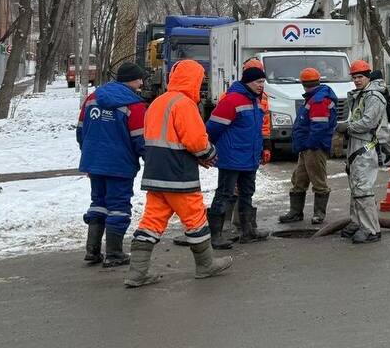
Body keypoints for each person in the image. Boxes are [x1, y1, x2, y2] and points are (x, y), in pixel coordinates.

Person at [124, 59, 231, 288]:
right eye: (200, 80)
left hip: (155, 172)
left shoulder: (158, 102)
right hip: (179, 174)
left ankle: (137, 272)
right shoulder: (184, 104)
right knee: (195, 218)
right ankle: (206, 264)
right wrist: (209, 153)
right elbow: (195, 141)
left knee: (151, 220)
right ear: (193, 80)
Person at [76, 63, 147, 268]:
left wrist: (89, 154)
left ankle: (92, 251)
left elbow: (81, 130)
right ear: (132, 80)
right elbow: (140, 140)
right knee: (118, 206)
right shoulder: (134, 104)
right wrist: (149, 160)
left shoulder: (92, 98)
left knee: (98, 202)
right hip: (119, 164)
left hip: (94, 161)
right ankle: (114, 253)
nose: (142, 83)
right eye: (139, 79)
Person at [205, 64, 270, 249]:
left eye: (263, 82)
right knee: (224, 194)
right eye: (258, 82)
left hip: (249, 158)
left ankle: (247, 231)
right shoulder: (232, 100)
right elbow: (212, 128)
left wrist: (262, 148)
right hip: (232, 158)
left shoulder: (255, 100)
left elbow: (256, 130)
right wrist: (209, 150)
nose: (261, 85)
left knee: (247, 193)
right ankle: (215, 236)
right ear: (248, 82)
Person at [335, 60, 384, 244]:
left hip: (365, 145)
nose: (356, 80)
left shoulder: (374, 97)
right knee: (356, 186)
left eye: (360, 77)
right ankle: (357, 222)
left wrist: (347, 127)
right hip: (356, 145)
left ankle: (371, 230)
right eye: (354, 77)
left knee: (363, 188)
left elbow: (368, 122)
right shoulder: (361, 95)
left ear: (368, 77)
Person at [279, 67, 337, 225]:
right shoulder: (316, 97)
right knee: (299, 179)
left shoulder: (318, 100)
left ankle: (317, 214)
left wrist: (309, 144)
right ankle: (296, 212)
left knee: (318, 180)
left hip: (313, 148)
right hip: (308, 147)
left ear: (303, 83)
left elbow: (319, 127)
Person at [369, 69, 390, 167]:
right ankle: (385, 157)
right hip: (383, 115)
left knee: (380, 138)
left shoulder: (374, 86)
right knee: (378, 138)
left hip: (379, 116)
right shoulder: (382, 85)